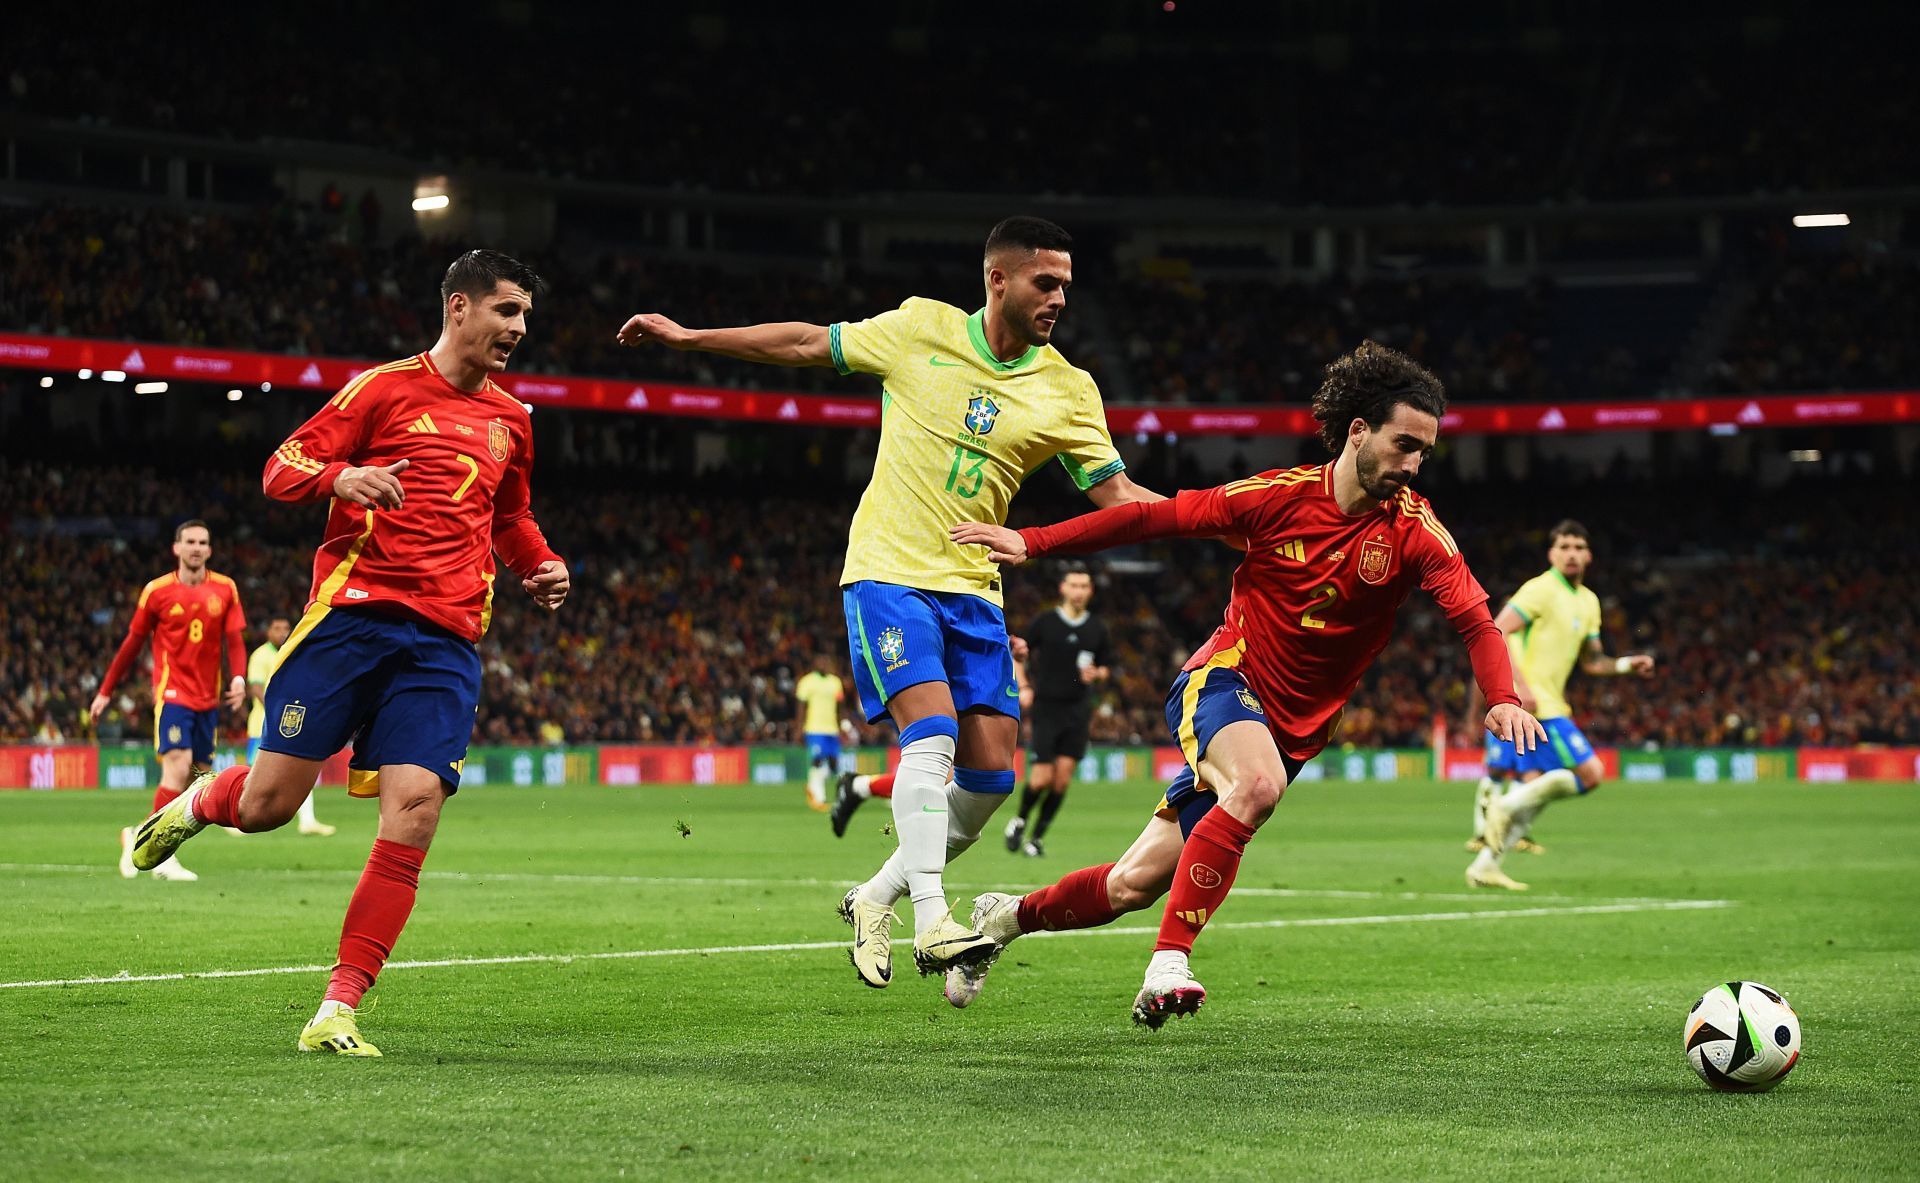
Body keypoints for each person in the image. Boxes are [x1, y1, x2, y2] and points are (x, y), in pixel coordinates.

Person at [618, 216, 1162, 999]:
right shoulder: (919, 328)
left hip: (975, 591)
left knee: (988, 781)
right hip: (889, 572)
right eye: (1047, 283)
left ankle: (877, 895)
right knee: (931, 738)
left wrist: (1220, 516)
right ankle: (934, 918)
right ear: (998, 279)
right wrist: (690, 337)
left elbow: (1118, 497)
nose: (1060, 298)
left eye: (1068, 285)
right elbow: (809, 342)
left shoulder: (1068, 389)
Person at [950, 340, 1545, 1027]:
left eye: (1424, 453)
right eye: (1403, 444)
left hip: (1294, 729)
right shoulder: (1276, 498)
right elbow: (1152, 517)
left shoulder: (1415, 531)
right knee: (1258, 785)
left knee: (1131, 884)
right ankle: (1169, 962)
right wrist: (1036, 541)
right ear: (1359, 432)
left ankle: (1001, 920)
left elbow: (1475, 618)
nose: (1413, 465)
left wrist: (1501, 695)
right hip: (1224, 680)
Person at [129, 249, 571, 1056]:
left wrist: (538, 562)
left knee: (416, 810)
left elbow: (511, 516)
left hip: (446, 641)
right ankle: (195, 803)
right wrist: (341, 478)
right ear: (459, 308)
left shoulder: (515, 419)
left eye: (526, 316)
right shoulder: (382, 389)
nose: (518, 328)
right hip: (351, 623)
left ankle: (337, 1007)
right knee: (269, 807)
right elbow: (280, 466)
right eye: (507, 310)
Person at [1465, 520, 1656, 890]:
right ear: (1552, 553)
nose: (1572, 553)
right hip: (1537, 704)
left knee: (1538, 789)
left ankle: (1487, 863)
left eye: (1578, 547)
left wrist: (1626, 664)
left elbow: (1592, 662)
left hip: (1553, 702)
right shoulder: (1540, 589)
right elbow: (1496, 630)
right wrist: (1517, 686)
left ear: (1589, 555)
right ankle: (1505, 806)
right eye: (1564, 546)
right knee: (1591, 774)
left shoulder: (1589, 602)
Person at [93, 519, 247, 882]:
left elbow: (235, 640)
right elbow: (131, 645)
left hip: (208, 699)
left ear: (210, 550)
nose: (196, 547)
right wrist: (105, 691)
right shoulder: (157, 591)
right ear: (176, 548)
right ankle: (162, 858)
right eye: (189, 541)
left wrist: (238, 677)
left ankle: (137, 835)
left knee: (197, 780)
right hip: (173, 694)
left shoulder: (225, 589)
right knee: (176, 768)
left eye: (202, 542)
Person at [1005, 566, 1111, 858]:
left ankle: (1036, 839)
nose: (1079, 591)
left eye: (1084, 586)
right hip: (1047, 708)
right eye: (1074, 585)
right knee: (1040, 779)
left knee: (1061, 780)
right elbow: (1018, 653)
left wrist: (1097, 674)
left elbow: (1105, 666)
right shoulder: (1045, 622)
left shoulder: (1097, 628)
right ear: (1063, 588)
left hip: (1078, 710)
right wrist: (1024, 685)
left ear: (1090, 591)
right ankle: (1020, 820)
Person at [246, 616, 334, 837]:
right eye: (277, 628)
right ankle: (234, 817)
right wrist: (277, 710)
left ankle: (308, 820)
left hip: (291, 724)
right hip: (262, 724)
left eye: (286, 628)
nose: (283, 632)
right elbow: (256, 688)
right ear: (268, 632)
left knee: (299, 767)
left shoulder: (294, 650)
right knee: (252, 774)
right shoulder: (261, 655)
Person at [794, 655, 846, 811]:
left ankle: (812, 787)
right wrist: (799, 728)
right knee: (817, 760)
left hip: (832, 729)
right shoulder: (807, 682)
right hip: (814, 728)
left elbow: (840, 708)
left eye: (826, 662)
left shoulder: (835, 682)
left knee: (833, 764)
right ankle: (818, 797)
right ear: (814, 664)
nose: (824, 664)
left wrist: (841, 726)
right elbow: (801, 707)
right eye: (820, 662)